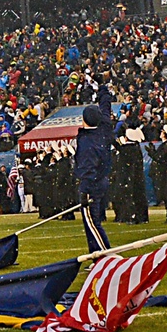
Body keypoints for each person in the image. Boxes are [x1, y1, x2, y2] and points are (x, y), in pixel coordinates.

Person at [72, 84, 114, 253]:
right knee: (92, 221)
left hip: (92, 184)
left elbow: (88, 168)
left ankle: (105, 255)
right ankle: (96, 254)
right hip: (101, 180)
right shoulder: (103, 130)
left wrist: (84, 191)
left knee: (92, 222)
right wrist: (103, 91)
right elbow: (105, 109)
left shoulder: (88, 142)